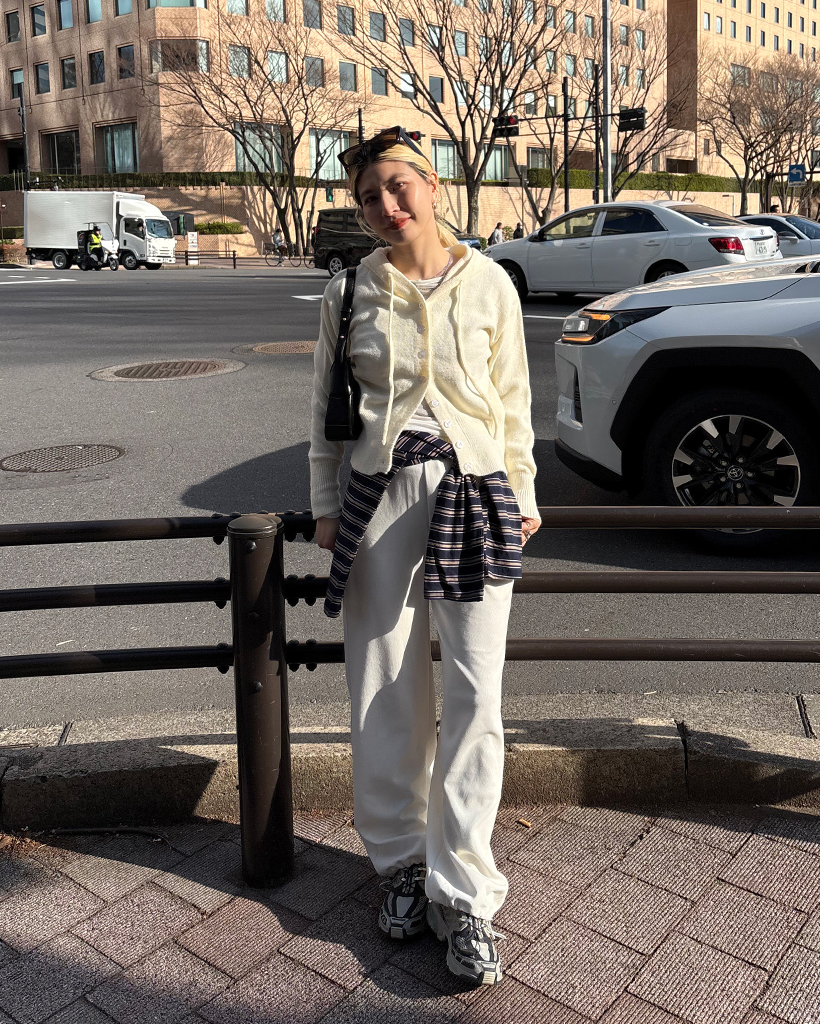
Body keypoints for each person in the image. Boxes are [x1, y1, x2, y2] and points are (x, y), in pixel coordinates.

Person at [309, 125, 540, 987]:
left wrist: (524, 494)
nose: (385, 205)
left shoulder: (490, 283)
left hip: (476, 495)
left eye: (397, 186)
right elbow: (325, 412)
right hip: (378, 498)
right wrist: (326, 506)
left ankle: (467, 891)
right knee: (383, 685)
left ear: (433, 183)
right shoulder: (350, 290)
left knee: (477, 692)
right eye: (368, 196)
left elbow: (513, 401)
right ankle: (401, 862)